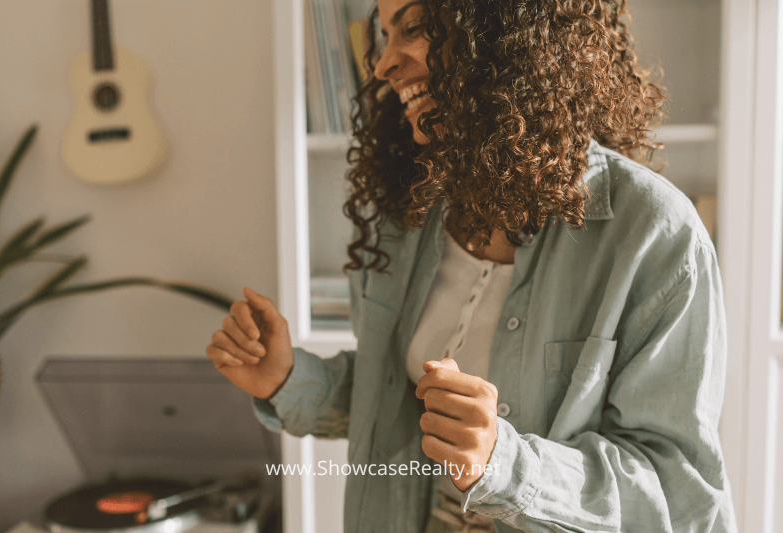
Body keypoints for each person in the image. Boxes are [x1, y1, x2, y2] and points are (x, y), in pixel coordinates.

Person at [206, 0, 738, 531]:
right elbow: (393, 396)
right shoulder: (406, 207)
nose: (382, 64)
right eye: (383, 35)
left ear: (502, 32)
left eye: (412, 28)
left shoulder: (654, 234)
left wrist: (502, 462)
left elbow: (677, 490)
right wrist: (289, 380)